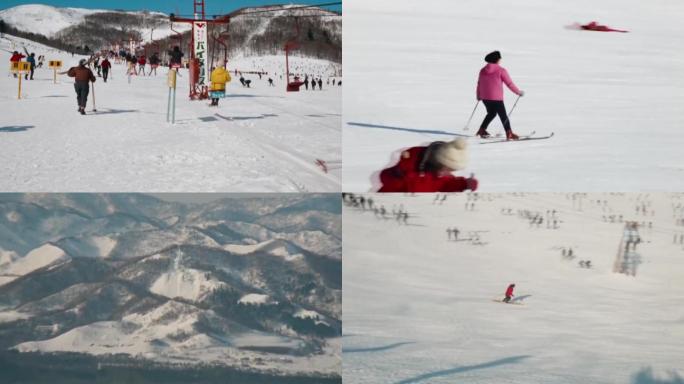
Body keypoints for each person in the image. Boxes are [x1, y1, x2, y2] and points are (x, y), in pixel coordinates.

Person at [377, 138, 479, 192]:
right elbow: (386, 178)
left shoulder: (440, 174)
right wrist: (403, 177)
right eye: (448, 169)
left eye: (452, 171)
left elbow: (446, 184)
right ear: (439, 162)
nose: (449, 173)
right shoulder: (412, 165)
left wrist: (465, 184)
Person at [476, 51, 524, 140]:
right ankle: (509, 133)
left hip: (485, 98)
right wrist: (518, 92)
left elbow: (479, 84)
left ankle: (482, 130)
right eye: (499, 58)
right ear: (496, 59)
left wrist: (478, 95)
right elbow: (509, 83)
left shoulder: (482, 70)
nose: (500, 59)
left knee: (491, 113)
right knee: (503, 115)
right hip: (496, 98)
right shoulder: (501, 70)